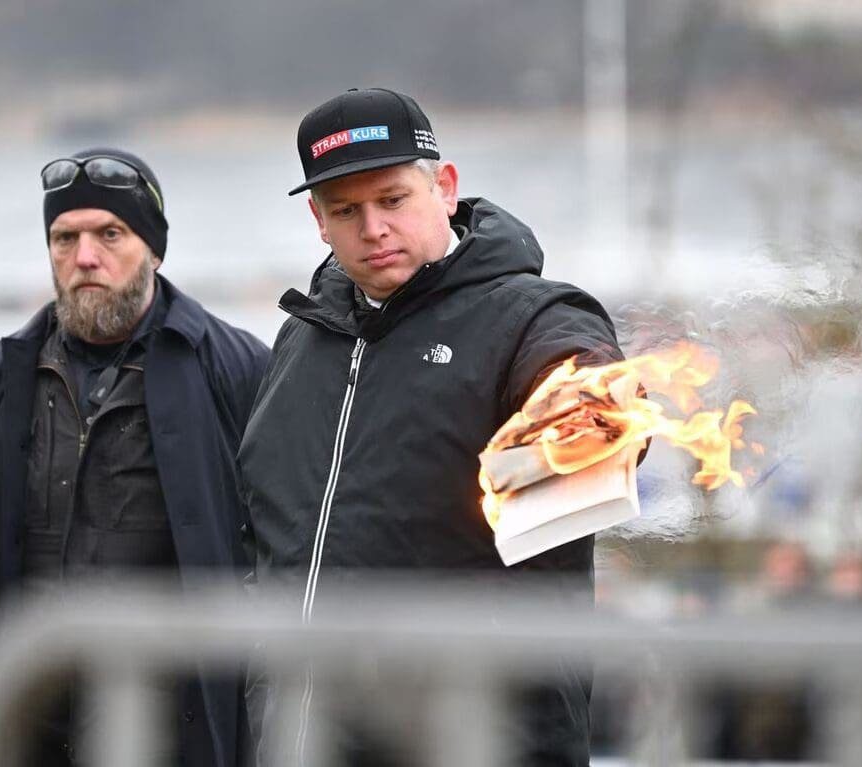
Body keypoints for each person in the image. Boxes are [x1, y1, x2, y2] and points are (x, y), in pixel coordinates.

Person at [237, 88, 626, 766]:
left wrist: (583, 416)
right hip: (303, 737)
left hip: (478, 738)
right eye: (345, 210)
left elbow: (592, 400)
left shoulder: (533, 317)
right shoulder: (300, 340)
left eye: (392, 199)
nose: (373, 227)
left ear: (444, 187)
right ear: (317, 222)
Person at [0, 147, 270, 766]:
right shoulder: (1, 376)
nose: (84, 257)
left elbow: (286, 550)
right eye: (64, 237)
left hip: (169, 726)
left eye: (111, 234)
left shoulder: (234, 369)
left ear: (154, 248)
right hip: (25, 713)